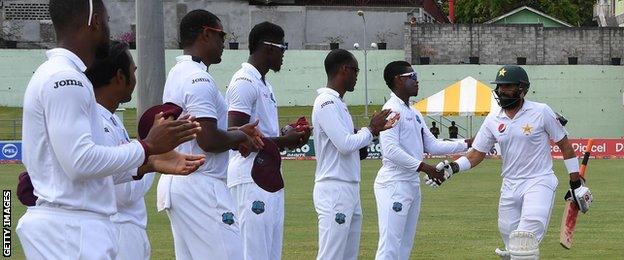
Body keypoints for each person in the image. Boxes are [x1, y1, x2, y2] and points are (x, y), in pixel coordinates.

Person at [16, 1, 205, 259]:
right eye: (106, 20)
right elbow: (80, 162)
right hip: (71, 231)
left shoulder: (64, 75)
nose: (108, 28)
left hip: (75, 229)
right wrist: (146, 146)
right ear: (93, 21)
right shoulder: (64, 78)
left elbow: (87, 173)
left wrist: (148, 162)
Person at [432, 65, 593, 259]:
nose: (502, 91)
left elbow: (565, 146)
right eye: (500, 86)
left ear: (522, 88)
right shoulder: (493, 119)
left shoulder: (541, 111)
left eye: (507, 86)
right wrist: (453, 167)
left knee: (523, 241)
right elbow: (476, 154)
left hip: (538, 181)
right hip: (509, 186)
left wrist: (575, 183)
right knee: (512, 246)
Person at [156, 10, 264, 260]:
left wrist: (238, 131)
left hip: (182, 180)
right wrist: (239, 138)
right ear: (205, 34)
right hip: (201, 183)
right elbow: (208, 140)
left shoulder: (178, 72)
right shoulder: (199, 78)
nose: (223, 43)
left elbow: (198, 132)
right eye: (220, 35)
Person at [226, 21, 311, 260]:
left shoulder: (264, 83)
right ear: (269, 48)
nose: (285, 53)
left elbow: (262, 131)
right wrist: (285, 141)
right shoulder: (244, 82)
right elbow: (234, 135)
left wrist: (287, 133)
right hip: (249, 176)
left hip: (269, 177)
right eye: (283, 46)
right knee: (252, 254)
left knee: (270, 254)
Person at [374, 61, 470, 260]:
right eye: (413, 76)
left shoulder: (413, 111)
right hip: (394, 184)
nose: (417, 81)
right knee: (390, 247)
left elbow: (433, 145)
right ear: (398, 80)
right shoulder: (391, 110)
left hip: (411, 183)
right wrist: (426, 167)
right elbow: (391, 150)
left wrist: (467, 143)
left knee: (404, 246)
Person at [311, 49, 398, 260]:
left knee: (348, 255)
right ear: (343, 70)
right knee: (331, 255)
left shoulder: (339, 104)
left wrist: (370, 133)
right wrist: (371, 130)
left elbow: (351, 145)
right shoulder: (326, 102)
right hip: (334, 187)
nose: (357, 75)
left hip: (348, 186)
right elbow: (344, 144)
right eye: (356, 70)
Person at [85, 41, 153, 260]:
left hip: (128, 226)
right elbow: (121, 192)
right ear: (120, 77)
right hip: (119, 228)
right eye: (133, 71)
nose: (136, 78)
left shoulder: (111, 119)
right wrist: (153, 158)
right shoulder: (98, 124)